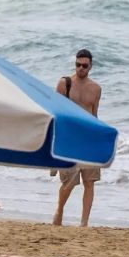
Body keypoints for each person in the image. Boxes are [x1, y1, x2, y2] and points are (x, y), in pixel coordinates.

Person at [52, 48, 103, 227]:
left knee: (90, 182)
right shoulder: (65, 83)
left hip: (88, 139)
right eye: (77, 64)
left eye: (84, 65)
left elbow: (94, 114)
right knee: (69, 182)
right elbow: (55, 112)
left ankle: (84, 223)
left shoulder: (95, 88)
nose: (80, 68)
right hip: (69, 140)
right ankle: (59, 211)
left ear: (90, 66)